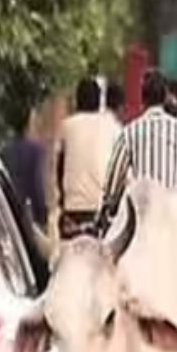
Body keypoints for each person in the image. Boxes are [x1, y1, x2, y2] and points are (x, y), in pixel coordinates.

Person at [99, 68, 177, 224]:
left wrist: (108, 206)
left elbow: (114, 180)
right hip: (173, 218)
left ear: (142, 99)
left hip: (142, 218)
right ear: (165, 97)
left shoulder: (130, 132)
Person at [55, 77, 120, 240]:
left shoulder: (66, 126)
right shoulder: (113, 127)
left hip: (73, 210)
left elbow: (59, 167)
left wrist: (63, 201)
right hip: (102, 211)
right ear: (99, 103)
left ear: (77, 101)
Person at [0, 107, 49, 231]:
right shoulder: (35, 151)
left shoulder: (4, 151)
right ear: (28, 123)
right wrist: (42, 216)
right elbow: (37, 186)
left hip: (9, 211)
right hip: (27, 215)